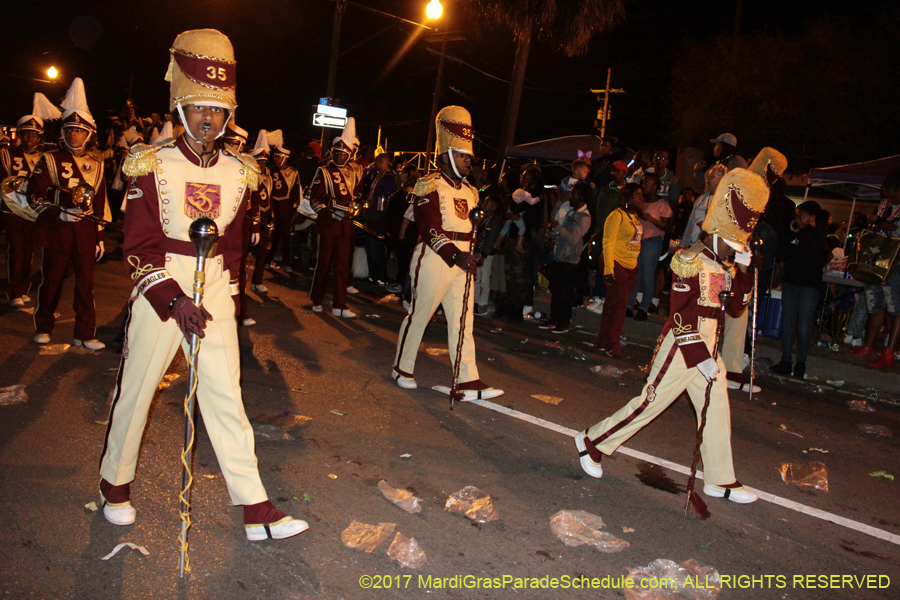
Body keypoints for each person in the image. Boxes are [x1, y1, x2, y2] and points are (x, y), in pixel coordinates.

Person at [99, 29, 307, 541]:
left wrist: (228, 300)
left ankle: (255, 505)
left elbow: (234, 249)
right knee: (139, 389)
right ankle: (114, 484)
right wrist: (172, 301)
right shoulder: (153, 165)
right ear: (180, 109)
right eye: (199, 109)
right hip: (162, 285)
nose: (209, 119)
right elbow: (139, 247)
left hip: (211, 283)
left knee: (224, 394)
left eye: (218, 110)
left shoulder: (240, 172)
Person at [576, 167, 771, 506]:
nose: (735, 249)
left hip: (708, 346)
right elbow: (680, 317)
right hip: (684, 345)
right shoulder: (689, 260)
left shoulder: (725, 266)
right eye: (734, 244)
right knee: (650, 402)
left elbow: (738, 305)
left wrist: (746, 268)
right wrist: (701, 358)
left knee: (717, 409)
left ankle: (720, 478)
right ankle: (592, 441)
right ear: (718, 232)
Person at [392, 106, 504, 400]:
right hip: (435, 258)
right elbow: (430, 228)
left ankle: (466, 379)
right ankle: (401, 369)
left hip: (462, 261)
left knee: (463, 320)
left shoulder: (470, 191)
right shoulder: (428, 185)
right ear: (446, 157)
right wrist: (456, 255)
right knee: (421, 315)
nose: (469, 161)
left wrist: (472, 253)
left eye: (469, 157)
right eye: (463, 156)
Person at [28, 78, 109, 350]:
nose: (73, 134)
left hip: (85, 233)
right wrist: (59, 213)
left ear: (89, 134)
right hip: (58, 230)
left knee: (86, 286)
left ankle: (85, 333)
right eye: (69, 129)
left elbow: (100, 203)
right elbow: (34, 195)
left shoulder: (96, 164)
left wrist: (99, 235)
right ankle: (43, 326)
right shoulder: (50, 159)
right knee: (51, 282)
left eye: (79, 130)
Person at [1, 93, 59, 307]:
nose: (29, 139)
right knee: (16, 249)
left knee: (29, 250)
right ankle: (14, 290)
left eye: (34, 135)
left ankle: (23, 286)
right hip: (11, 209)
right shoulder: (7, 154)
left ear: (39, 137)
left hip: (34, 211)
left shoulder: (46, 158)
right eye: (26, 134)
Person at [308, 118, 362, 318]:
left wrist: (357, 207)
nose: (340, 156)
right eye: (337, 152)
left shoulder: (354, 173)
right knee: (323, 264)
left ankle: (340, 304)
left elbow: (356, 196)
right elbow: (314, 199)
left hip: (346, 225)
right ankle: (317, 299)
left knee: (342, 265)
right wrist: (328, 211)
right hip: (328, 224)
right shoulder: (323, 171)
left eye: (344, 153)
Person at [771, 201, 831, 379]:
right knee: (788, 324)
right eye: (797, 216)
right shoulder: (794, 233)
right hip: (791, 282)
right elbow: (782, 253)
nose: (798, 220)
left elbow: (812, 254)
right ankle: (786, 360)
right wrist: (791, 233)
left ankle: (801, 363)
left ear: (812, 218)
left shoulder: (818, 235)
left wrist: (805, 233)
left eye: (802, 216)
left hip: (809, 286)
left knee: (803, 326)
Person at [849, 168, 900, 369]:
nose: (891, 199)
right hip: (877, 262)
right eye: (887, 195)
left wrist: (895, 229)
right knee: (874, 304)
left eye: (894, 195)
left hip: (896, 265)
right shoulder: (884, 205)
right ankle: (868, 346)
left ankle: (889, 352)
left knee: (896, 309)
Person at [595, 183, 643, 356]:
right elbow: (608, 242)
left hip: (630, 267)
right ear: (627, 196)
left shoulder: (635, 218)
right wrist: (609, 269)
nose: (641, 198)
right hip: (615, 263)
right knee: (619, 306)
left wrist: (634, 266)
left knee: (612, 304)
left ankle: (603, 342)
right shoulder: (617, 215)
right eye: (637, 195)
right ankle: (612, 345)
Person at [222, 122, 259, 327]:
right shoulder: (215, 161)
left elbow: (254, 199)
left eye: (234, 143)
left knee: (239, 268)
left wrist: (255, 226)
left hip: (241, 223)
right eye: (227, 142)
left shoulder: (248, 164)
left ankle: (239, 311)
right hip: (220, 223)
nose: (230, 147)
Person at [544, 182, 591, 333]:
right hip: (560, 256)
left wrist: (557, 227)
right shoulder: (572, 211)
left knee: (565, 293)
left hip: (570, 259)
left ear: (581, 197)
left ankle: (564, 322)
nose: (570, 196)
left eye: (573, 194)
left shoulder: (584, 217)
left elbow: (573, 238)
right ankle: (554, 319)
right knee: (557, 291)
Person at [586, 160, 629, 313]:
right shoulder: (605, 188)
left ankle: (605, 298)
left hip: (615, 234)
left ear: (624, 173)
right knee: (599, 262)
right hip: (601, 231)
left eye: (617, 171)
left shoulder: (624, 191)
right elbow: (598, 210)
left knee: (610, 265)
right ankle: (598, 296)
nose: (614, 173)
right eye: (612, 170)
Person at [628, 173, 672, 320]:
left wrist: (652, 219)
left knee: (647, 275)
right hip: (638, 240)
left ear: (655, 186)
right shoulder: (640, 202)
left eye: (647, 183)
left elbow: (667, 227)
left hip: (652, 241)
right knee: (636, 274)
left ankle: (644, 308)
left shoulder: (662, 205)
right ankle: (629, 305)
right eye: (643, 183)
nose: (644, 185)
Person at [268, 131, 301, 273]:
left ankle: (287, 262)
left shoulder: (293, 172)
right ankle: (266, 260)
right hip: (272, 206)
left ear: (285, 158)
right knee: (271, 235)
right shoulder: (269, 170)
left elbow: (297, 192)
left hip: (286, 207)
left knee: (286, 236)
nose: (276, 159)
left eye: (279, 157)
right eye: (275, 157)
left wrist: (296, 209)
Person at [247, 130, 274, 294]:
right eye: (259, 161)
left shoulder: (268, 177)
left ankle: (257, 281)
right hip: (251, 218)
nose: (262, 165)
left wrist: (271, 217)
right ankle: (238, 282)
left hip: (264, 218)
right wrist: (255, 222)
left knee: (263, 252)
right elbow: (253, 201)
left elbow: (269, 200)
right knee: (244, 253)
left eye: (264, 162)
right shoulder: (250, 176)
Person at [364, 153, 395, 285]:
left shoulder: (388, 178)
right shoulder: (379, 176)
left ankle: (381, 276)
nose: (374, 163)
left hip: (377, 218)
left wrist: (378, 215)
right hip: (372, 215)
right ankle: (373, 275)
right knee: (371, 247)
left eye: (376, 160)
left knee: (376, 248)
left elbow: (387, 200)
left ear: (382, 161)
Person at [681, 164, 727, 248]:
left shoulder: (725, 202)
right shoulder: (701, 199)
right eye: (707, 176)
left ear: (722, 179)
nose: (707, 179)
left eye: (712, 177)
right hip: (693, 245)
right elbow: (690, 224)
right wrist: (683, 244)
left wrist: (706, 226)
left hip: (710, 248)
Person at [473, 194, 503, 316]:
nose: (483, 205)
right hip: (480, 252)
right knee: (476, 278)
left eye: (486, 203)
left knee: (484, 279)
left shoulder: (494, 221)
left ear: (494, 206)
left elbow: (490, 240)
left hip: (486, 254)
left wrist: (484, 255)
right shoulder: (484, 218)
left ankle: (482, 304)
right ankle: (475, 302)